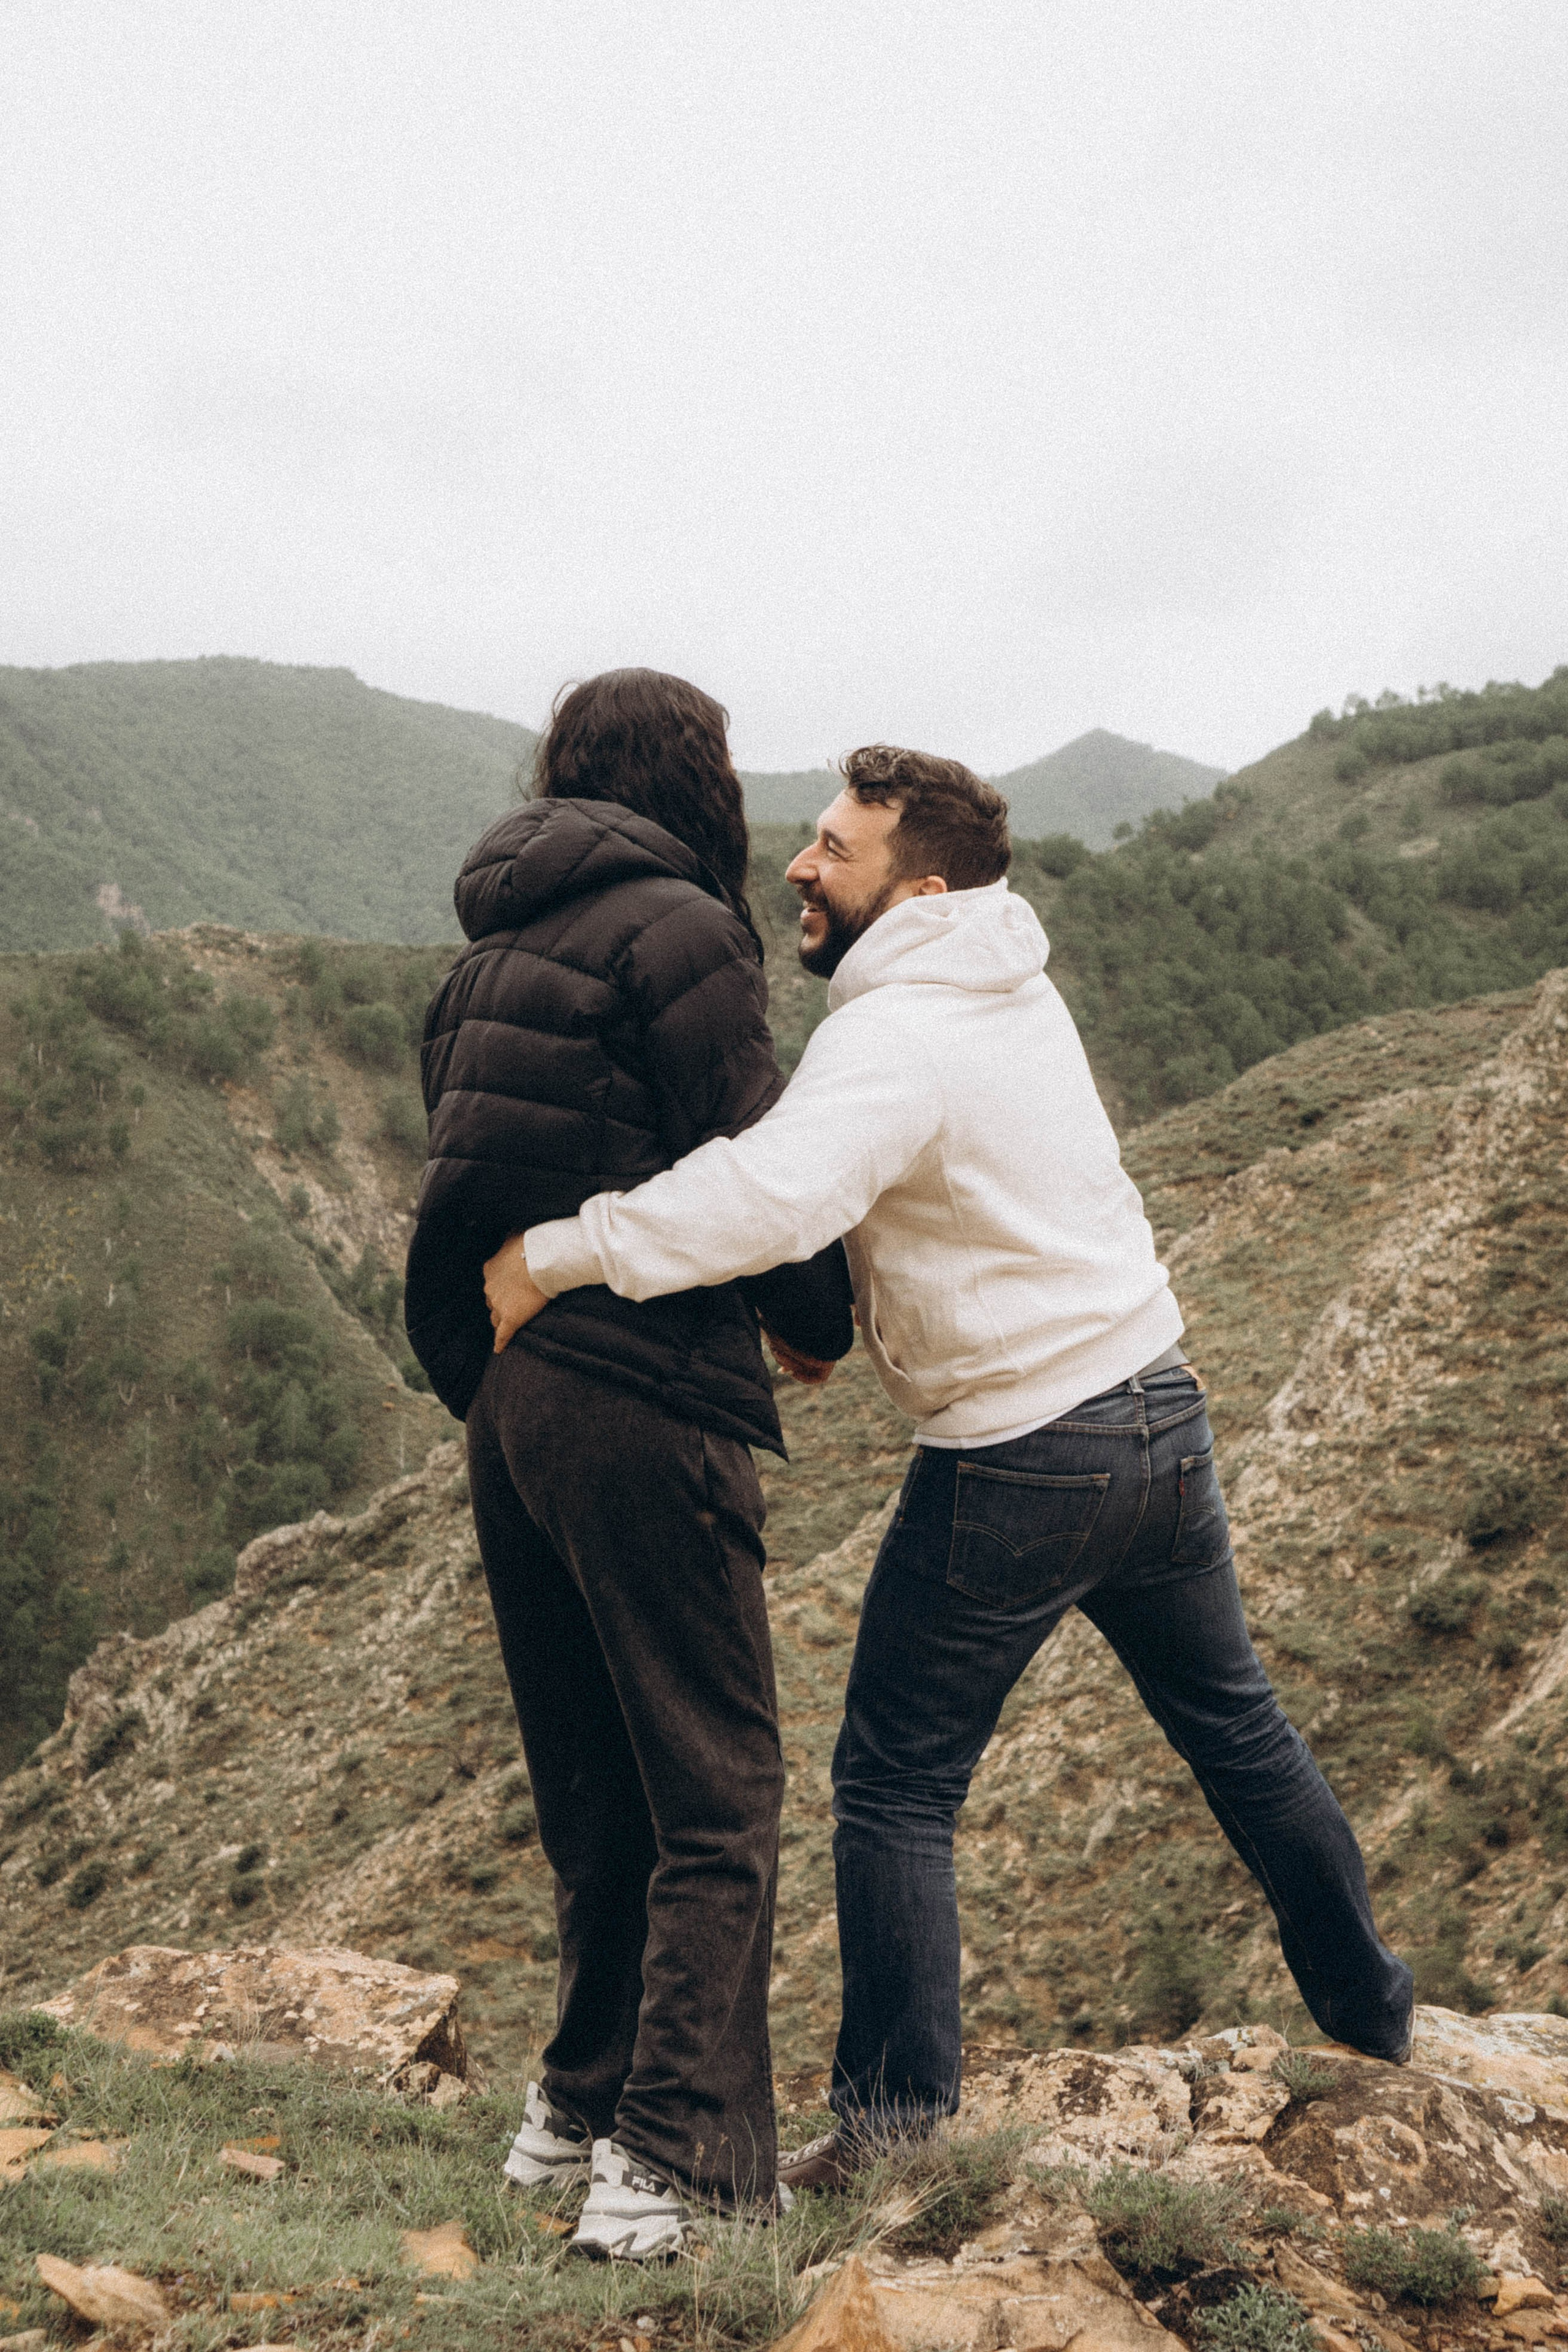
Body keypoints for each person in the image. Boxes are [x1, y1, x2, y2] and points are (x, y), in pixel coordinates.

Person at [483, 742, 1415, 2193]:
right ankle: (1372, 2013)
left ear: (916, 890)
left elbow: (768, 1195)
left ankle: (891, 2130)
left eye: (833, 851)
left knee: (893, 1786)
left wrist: (557, 1253)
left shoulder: (894, 1033)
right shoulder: (1009, 982)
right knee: (1234, 1729)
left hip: (1019, 1454)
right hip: (1156, 1409)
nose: (801, 866)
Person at [404, 668, 853, 2256]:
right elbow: (756, 1158)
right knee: (717, 1787)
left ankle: (572, 2115)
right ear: (693, 780)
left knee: (593, 1784)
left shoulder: (482, 960)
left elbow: (461, 1198)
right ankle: (672, 2162)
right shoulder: (683, 933)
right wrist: (814, 1321)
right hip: (643, 1394)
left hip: (510, 1405)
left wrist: (495, 1379)